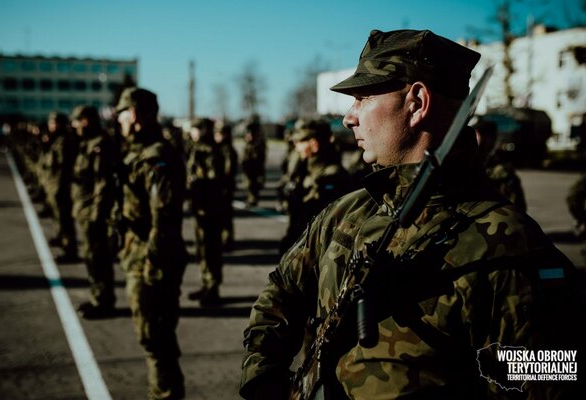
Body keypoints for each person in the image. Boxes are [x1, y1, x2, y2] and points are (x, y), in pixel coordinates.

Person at [240, 29, 578, 399]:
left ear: (417, 102)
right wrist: (262, 375)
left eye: (363, 97)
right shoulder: (347, 213)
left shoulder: (508, 247)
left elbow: (549, 380)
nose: (350, 117)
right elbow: (283, 290)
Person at [116, 87, 188, 400]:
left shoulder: (155, 156)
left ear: (134, 114)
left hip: (152, 258)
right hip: (140, 252)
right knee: (155, 336)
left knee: (154, 335)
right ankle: (165, 391)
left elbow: (164, 218)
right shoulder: (138, 150)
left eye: (121, 112)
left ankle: (165, 393)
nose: (118, 119)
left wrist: (152, 265)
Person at [70, 105, 118, 319]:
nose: (74, 125)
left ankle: (103, 301)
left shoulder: (99, 144)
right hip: (85, 209)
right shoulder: (86, 143)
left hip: (93, 213)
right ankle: (97, 297)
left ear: (87, 120)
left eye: (77, 120)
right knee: (92, 258)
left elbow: (103, 183)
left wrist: (97, 215)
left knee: (98, 259)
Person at [279, 118, 352, 255]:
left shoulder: (332, 177)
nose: (296, 147)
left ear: (314, 145)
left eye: (300, 142)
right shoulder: (304, 170)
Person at [186, 117, 225, 306]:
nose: (193, 132)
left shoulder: (210, 151)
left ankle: (213, 287)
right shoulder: (196, 148)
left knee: (210, 249)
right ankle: (206, 283)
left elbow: (214, 181)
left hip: (210, 208)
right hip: (199, 207)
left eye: (196, 128)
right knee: (201, 248)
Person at [42, 111, 80, 263]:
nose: (51, 125)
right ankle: (65, 244)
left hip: (62, 187)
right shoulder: (56, 140)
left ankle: (70, 251)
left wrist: (59, 189)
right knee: (60, 217)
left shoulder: (64, 141)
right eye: (50, 122)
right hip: (55, 186)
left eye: (54, 122)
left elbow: (64, 169)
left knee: (65, 220)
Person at [474, 119, 527, 212]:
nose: (478, 139)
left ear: (492, 138)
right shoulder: (464, 161)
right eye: (476, 134)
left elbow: (517, 208)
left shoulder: (503, 172)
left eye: (481, 135)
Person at [214, 120, 239, 250]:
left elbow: (228, 171)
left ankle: (227, 239)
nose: (218, 136)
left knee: (225, 215)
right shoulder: (217, 148)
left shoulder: (228, 150)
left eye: (221, 134)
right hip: (219, 187)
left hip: (225, 187)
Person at [241, 115, 267, 207]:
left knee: (253, 182)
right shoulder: (250, 133)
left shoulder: (258, 138)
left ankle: (253, 199)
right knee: (249, 182)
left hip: (256, 163)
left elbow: (260, 155)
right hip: (250, 162)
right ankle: (251, 198)